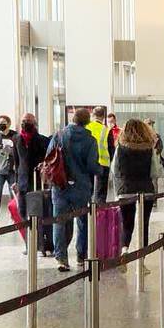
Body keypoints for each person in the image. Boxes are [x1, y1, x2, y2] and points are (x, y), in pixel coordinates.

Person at [49, 108, 102, 271]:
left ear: (73, 118)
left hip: (60, 185)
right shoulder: (90, 140)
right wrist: (101, 171)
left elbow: (49, 156)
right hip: (81, 187)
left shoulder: (59, 135)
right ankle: (81, 255)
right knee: (83, 221)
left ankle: (61, 259)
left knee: (59, 221)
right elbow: (92, 166)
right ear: (87, 122)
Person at [110, 118, 162, 273]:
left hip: (125, 190)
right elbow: (155, 171)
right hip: (146, 189)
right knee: (144, 224)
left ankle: (124, 251)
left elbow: (114, 169)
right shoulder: (149, 148)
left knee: (127, 224)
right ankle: (142, 262)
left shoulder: (120, 147)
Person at [14, 113, 50, 221]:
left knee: (38, 211)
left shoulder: (42, 140)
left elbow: (47, 160)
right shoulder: (16, 139)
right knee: (22, 210)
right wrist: (16, 180)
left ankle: (38, 235)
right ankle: (29, 234)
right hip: (23, 181)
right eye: (24, 121)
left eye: (28, 121)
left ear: (34, 124)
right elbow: (17, 162)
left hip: (37, 181)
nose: (25, 123)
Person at [84, 106, 113, 203]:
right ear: (103, 117)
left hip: (87, 163)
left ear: (93, 115)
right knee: (101, 193)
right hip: (103, 164)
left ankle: (88, 214)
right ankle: (99, 215)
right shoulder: (106, 130)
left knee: (88, 190)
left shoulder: (86, 127)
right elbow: (111, 148)